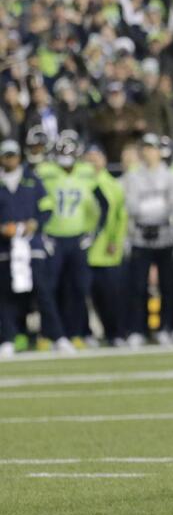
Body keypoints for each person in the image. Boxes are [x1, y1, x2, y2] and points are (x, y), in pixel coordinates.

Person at [40, 131, 109, 347]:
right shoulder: (45, 172)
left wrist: (93, 233)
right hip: (52, 239)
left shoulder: (86, 173)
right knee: (50, 288)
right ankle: (51, 334)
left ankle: (75, 332)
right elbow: (36, 203)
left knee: (78, 288)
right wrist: (41, 233)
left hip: (78, 239)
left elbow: (103, 204)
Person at [123, 133, 173, 346]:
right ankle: (138, 329)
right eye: (145, 148)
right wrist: (154, 208)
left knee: (167, 285)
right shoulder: (133, 176)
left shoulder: (170, 175)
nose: (148, 152)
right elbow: (132, 206)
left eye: (152, 148)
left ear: (159, 151)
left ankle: (166, 327)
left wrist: (153, 210)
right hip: (140, 235)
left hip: (165, 236)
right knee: (138, 286)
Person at [0, 139, 50, 357]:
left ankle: (53, 335)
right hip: (5, 246)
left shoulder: (32, 179)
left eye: (13, 155)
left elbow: (47, 207)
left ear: (19, 156)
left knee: (42, 290)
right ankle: (10, 337)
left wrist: (35, 223)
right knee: (6, 294)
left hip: (32, 244)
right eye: (6, 155)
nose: (10, 159)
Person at [83, 143, 129, 346]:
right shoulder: (79, 182)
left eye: (96, 156)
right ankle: (86, 332)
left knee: (110, 295)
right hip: (83, 251)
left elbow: (121, 217)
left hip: (105, 250)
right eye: (89, 156)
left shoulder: (113, 184)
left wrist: (114, 241)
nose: (93, 160)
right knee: (81, 294)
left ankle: (116, 333)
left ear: (104, 159)